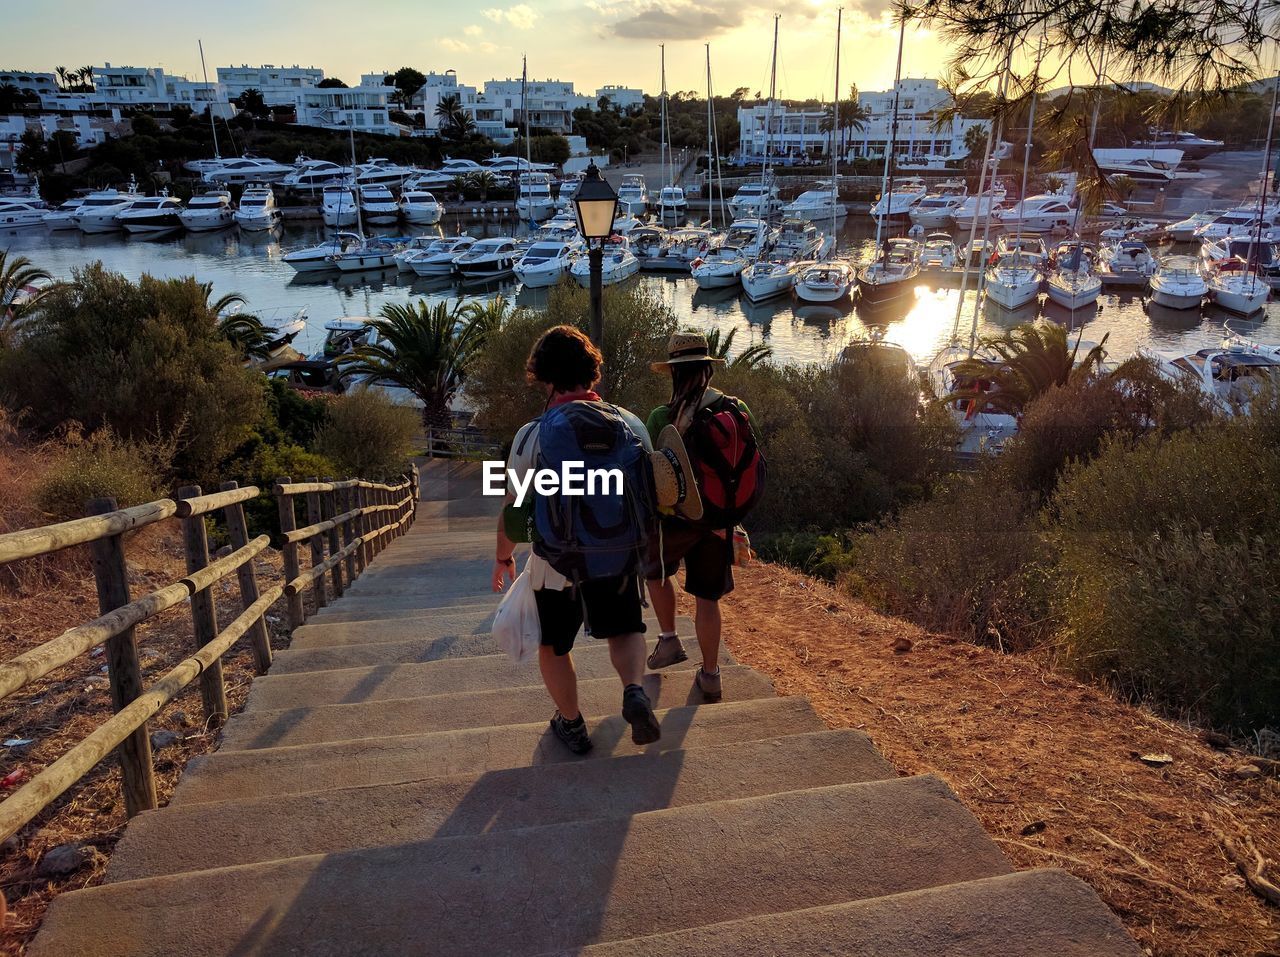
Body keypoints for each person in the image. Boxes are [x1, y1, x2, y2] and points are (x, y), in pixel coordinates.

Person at [492, 324, 661, 754]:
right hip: (617, 557)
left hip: (557, 563)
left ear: (544, 379)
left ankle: (571, 724)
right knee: (624, 629)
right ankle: (634, 691)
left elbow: (514, 506)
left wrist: (504, 558)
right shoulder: (631, 424)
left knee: (553, 644)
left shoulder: (533, 434)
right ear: (594, 374)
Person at [644, 332, 764, 703]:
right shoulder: (737, 409)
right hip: (718, 522)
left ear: (675, 373)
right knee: (707, 600)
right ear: (708, 370)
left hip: (677, 522)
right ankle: (711, 676)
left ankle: (668, 639)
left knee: (653, 569)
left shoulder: (662, 417)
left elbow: (653, 478)